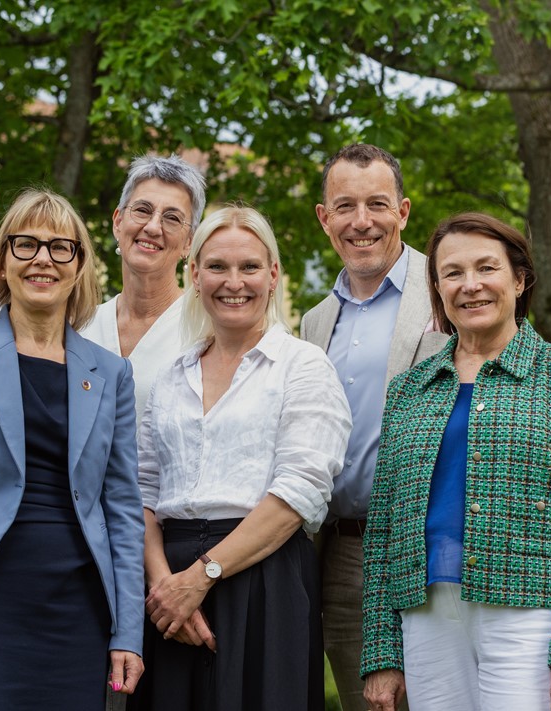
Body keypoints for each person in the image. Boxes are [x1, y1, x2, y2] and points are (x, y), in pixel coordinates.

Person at [361, 212, 551, 711]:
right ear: (437, 288)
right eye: (452, 273)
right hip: (424, 615)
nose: (470, 285)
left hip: (529, 618)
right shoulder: (408, 390)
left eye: (487, 268)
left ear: (519, 279)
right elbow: (383, 536)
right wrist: (381, 654)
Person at [0, 189, 146, 708]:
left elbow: (122, 510)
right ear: (4, 261)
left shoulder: (112, 373)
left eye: (61, 248)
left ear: (79, 266)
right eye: (26, 244)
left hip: (78, 610)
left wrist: (128, 630)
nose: (42, 259)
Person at [132, 206, 352, 710]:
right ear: (194, 274)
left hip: (264, 576)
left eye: (250, 267)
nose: (235, 282)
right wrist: (166, 584)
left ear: (273, 275)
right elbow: (141, 490)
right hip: (166, 583)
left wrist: (200, 577)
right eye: (217, 267)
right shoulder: (170, 377)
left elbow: (299, 491)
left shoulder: (303, 367)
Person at [300, 143, 447, 711]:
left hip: (431, 550)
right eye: (345, 206)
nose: (362, 222)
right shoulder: (315, 321)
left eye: (378, 204)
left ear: (404, 212)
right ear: (325, 218)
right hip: (340, 554)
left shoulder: (448, 290)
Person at [81, 154, 206, 420]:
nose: (152, 227)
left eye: (172, 218)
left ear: (189, 242)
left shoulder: (205, 330)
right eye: (142, 210)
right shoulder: (81, 325)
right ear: (118, 221)